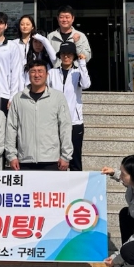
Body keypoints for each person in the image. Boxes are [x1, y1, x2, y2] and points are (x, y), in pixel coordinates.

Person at [5, 60, 73, 171]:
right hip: (25, 159)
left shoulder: (57, 97)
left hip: (52, 159)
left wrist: (66, 155)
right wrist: (11, 155)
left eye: (40, 71)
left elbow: (65, 127)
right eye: (33, 71)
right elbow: (11, 128)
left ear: (47, 74)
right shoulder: (18, 98)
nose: (37, 75)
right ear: (28, 74)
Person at [48, 41, 91, 171]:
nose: (66, 57)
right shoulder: (52, 73)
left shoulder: (78, 72)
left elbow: (86, 84)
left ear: (74, 56)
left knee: (75, 159)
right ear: (60, 56)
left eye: (69, 54)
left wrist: (82, 63)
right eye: (63, 54)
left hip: (74, 121)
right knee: (56, 158)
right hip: (55, 121)